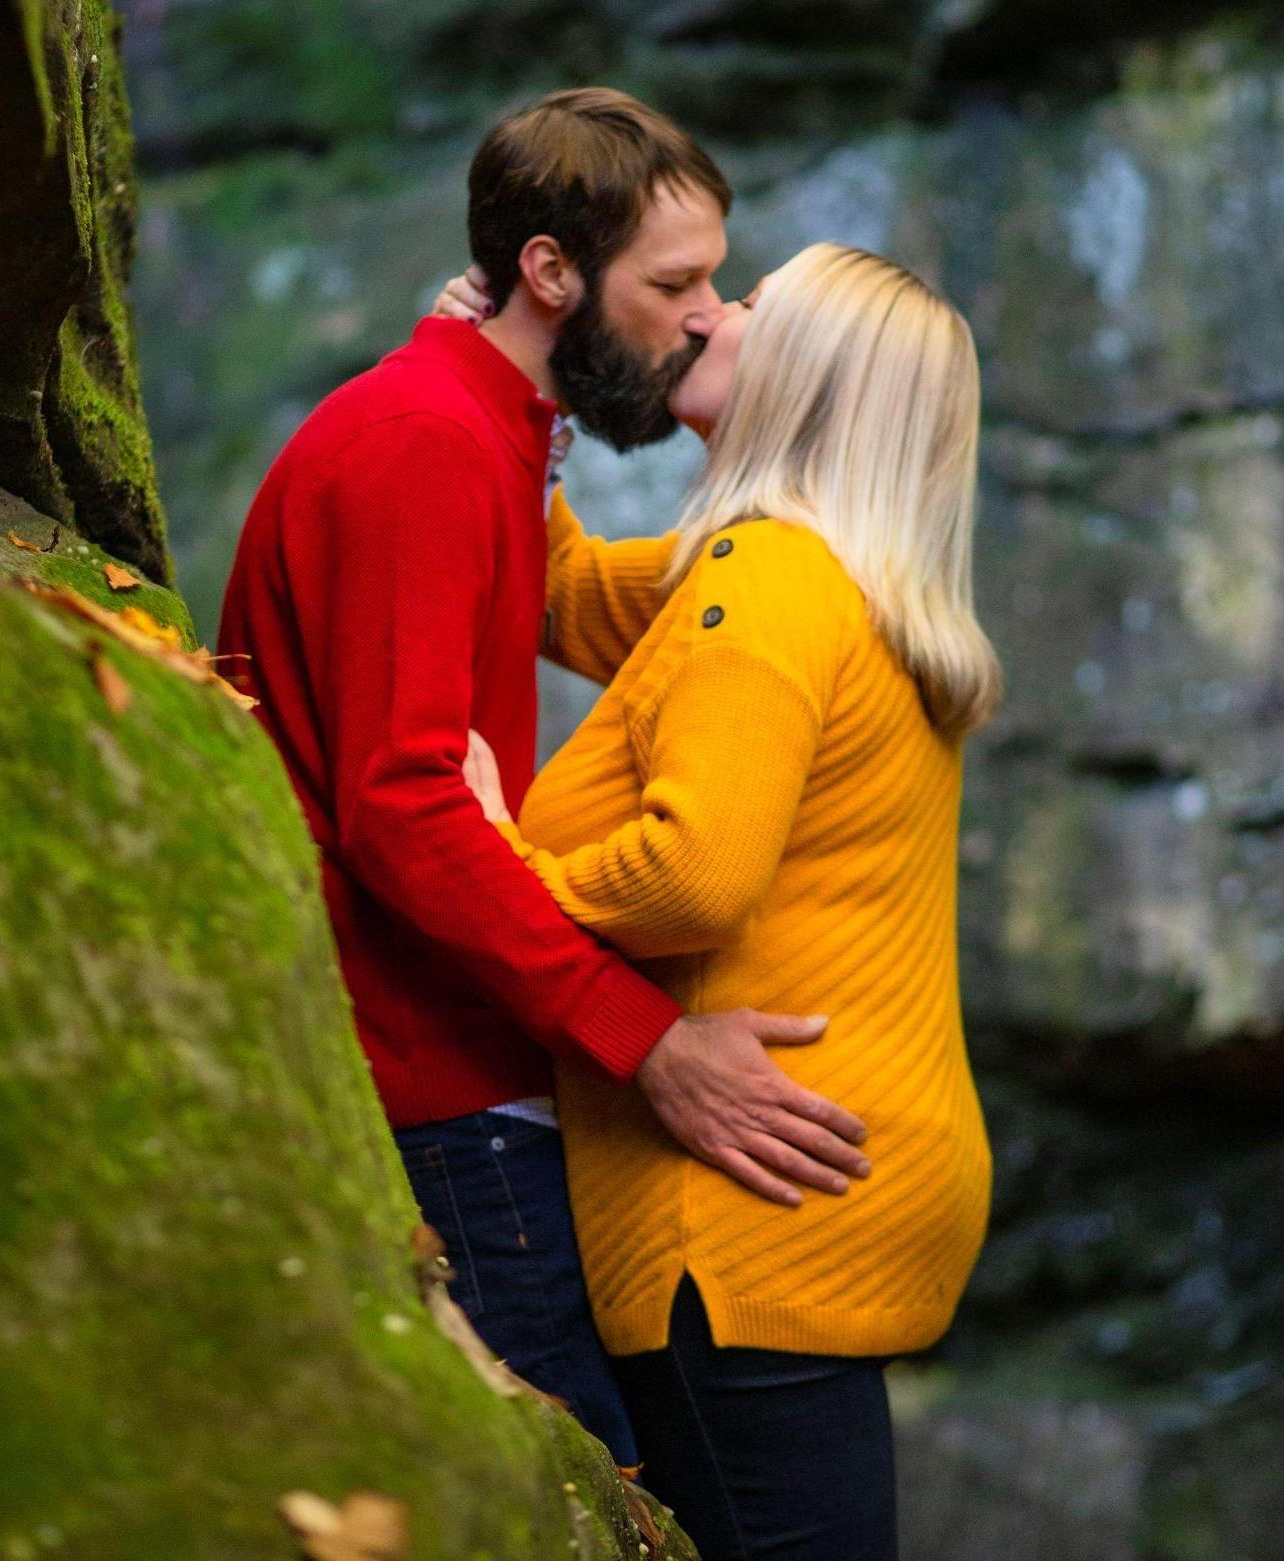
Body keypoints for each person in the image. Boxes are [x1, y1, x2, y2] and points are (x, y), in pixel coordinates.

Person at [215, 91, 871, 1472]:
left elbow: (666, 606)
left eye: (713, 281)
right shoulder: (424, 443)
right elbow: (403, 808)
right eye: (673, 286)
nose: (706, 316)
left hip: (481, 1078)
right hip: (442, 1093)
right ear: (551, 270)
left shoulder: (479, 432)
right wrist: (647, 1042)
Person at [445, 243, 1000, 1559]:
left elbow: (692, 873)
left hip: (747, 1203)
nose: (711, 314)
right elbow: (562, 592)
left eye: (750, 301)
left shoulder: (765, 579)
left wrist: (498, 860)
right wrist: (511, 375)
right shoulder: (824, 575)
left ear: (803, 371)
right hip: (839, 1178)